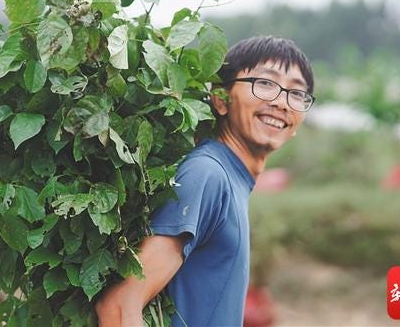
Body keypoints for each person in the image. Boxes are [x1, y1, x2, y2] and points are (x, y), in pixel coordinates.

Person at [96, 36, 315, 327]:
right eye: (265, 83)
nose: (281, 102)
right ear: (220, 99)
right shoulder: (208, 174)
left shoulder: (231, 177)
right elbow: (119, 307)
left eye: (297, 93)